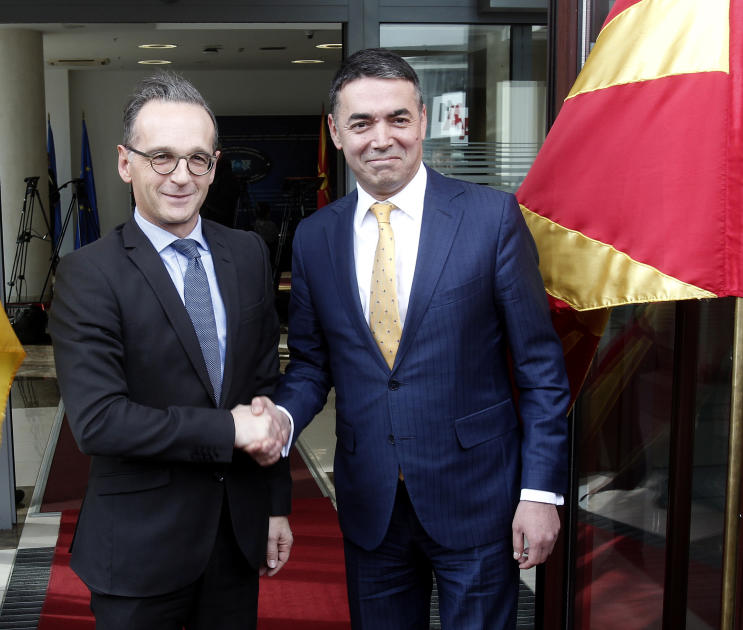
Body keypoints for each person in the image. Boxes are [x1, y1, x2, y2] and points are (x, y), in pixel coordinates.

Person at [256, 48, 570, 628]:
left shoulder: (491, 218)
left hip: (477, 498)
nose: (381, 138)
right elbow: (309, 366)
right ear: (336, 130)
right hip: (370, 502)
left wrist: (541, 493)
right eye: (361, 122)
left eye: (397, 118)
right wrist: (280, 418)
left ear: (422, 120)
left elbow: (541, 371)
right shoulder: (314, 237)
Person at [49, 71, 293, 630]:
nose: (181, 177)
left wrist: (276, 503)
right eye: (161, 157)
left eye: (197, 159)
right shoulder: (88, 274)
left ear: (214, 165)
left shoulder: (249, 254)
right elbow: (100, 422)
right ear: (124, 162)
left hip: (235, 539)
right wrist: (227, 430)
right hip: (139, 551)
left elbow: (264, 392)